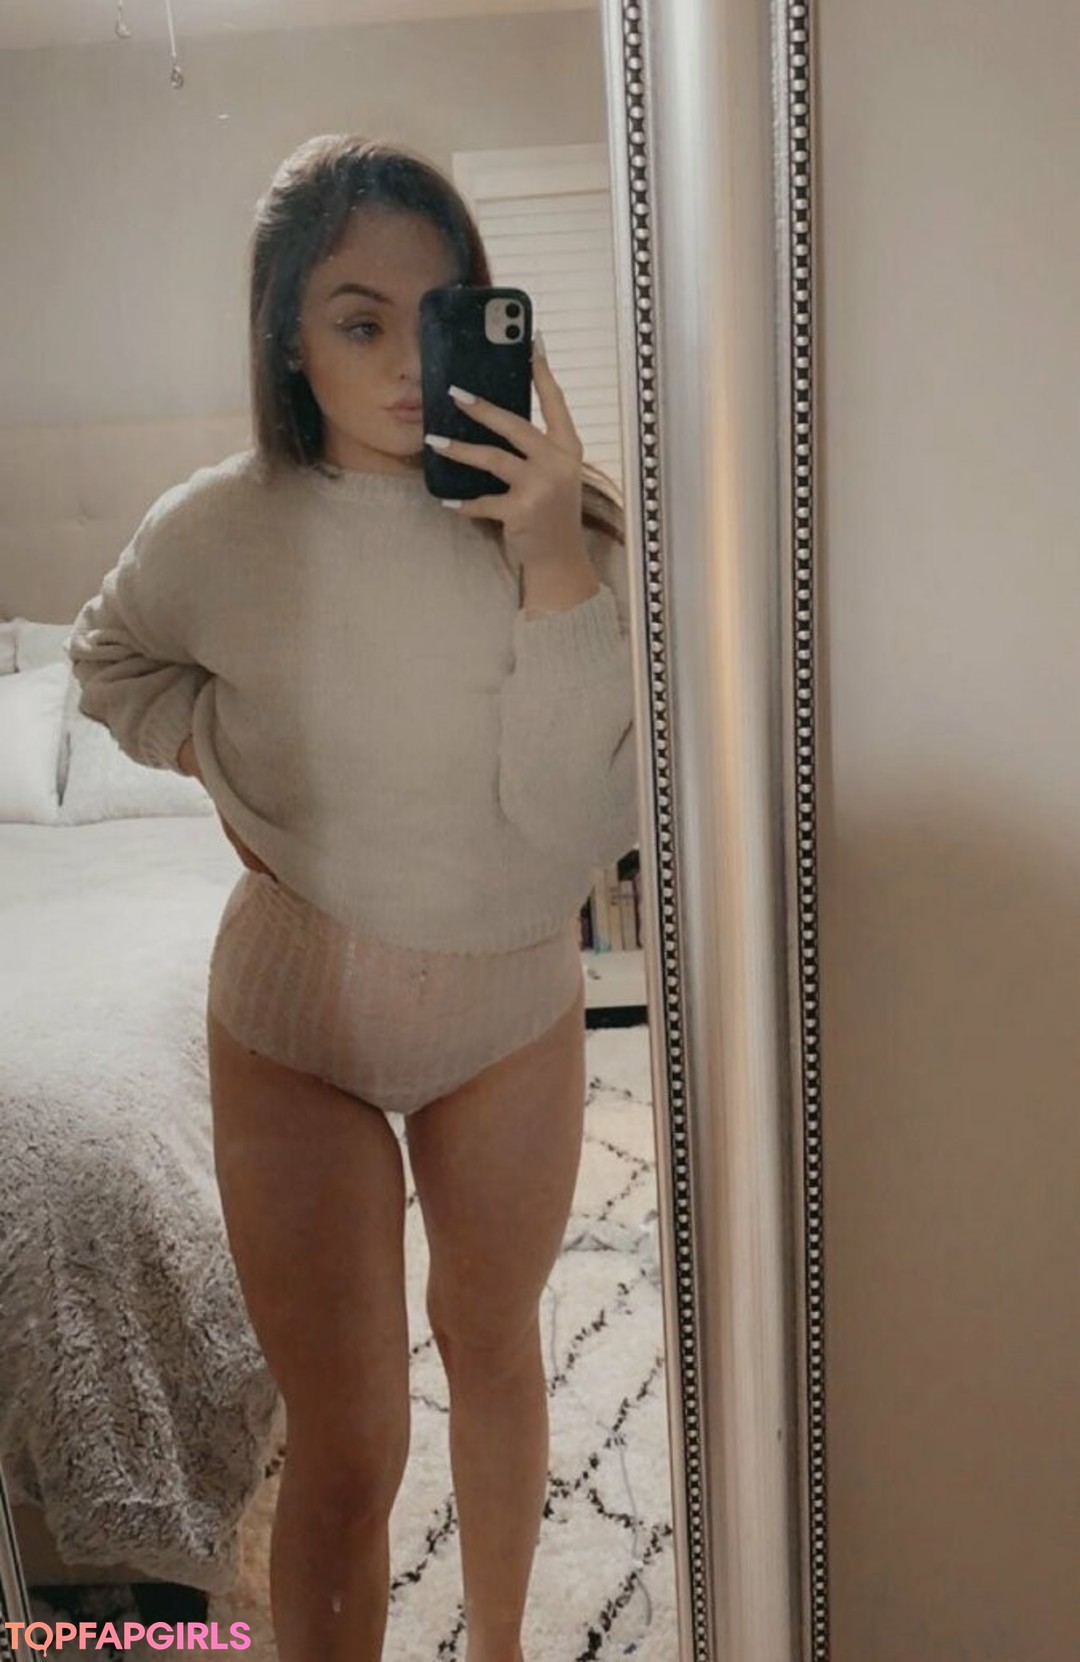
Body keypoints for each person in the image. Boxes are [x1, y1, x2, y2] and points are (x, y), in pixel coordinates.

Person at [66, 133, 637, 1662]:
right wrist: (221, 762)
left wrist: (548, 553)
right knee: (353, 1428)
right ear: (288, 339)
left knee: (495, 1350)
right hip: (294, 1023)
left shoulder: (571, 524)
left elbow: (580, 823)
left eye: (435, 315)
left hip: (508, 1010)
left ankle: (500, 1641)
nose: (400, 363)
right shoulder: (218, 528)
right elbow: (107, 664)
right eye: (357, 319)